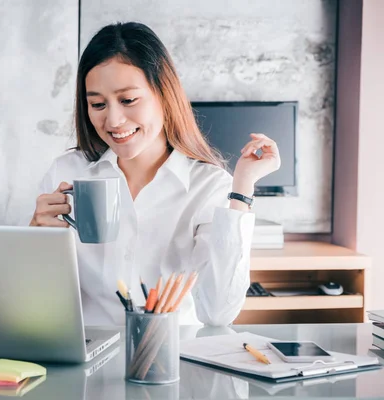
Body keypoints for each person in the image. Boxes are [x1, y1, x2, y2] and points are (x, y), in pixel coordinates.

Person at [29, 22, 280, 326]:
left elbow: (218, 313)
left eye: (128, 100)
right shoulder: (67, 172)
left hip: (173, 356)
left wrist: (241, 189)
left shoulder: (209, 186)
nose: (113, 119)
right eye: (97, 104)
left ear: (164, 94)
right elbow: (37, 302)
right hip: (87, 351)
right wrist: (36, 240)